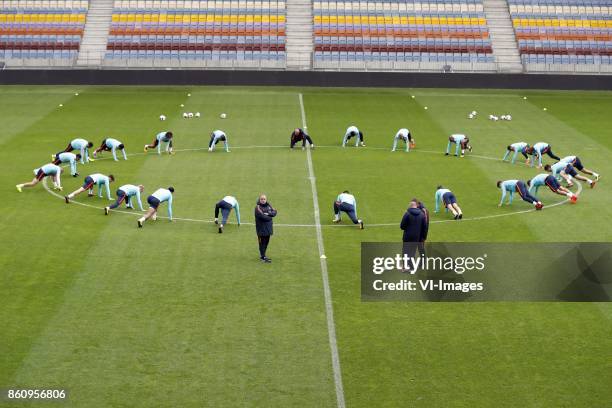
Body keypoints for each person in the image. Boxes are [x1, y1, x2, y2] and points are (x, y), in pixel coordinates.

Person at [400, 199, 429, 272]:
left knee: (405, 251)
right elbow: (424, 227)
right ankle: (411, 267)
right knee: (412, 252)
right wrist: (423, 237)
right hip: (416, 237)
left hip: (407, 236)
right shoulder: (422, 214)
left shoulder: (407, 213)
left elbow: (402, 226)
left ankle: (405, 267)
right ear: (416, 206)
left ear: (410, 206)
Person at [254, 194, 276, 263]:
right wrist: (270, 216)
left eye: (264, 199)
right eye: (262, 199)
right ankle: (262, 257)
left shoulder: (268, 205)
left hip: (268, 229)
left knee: (266, 243)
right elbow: (263, 217)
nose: (263, 200)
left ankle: (264, 256)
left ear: (266, 199)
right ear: (259, 200)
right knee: (262, 243)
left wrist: (268, 214)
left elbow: (275, 212)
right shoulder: (258, 207)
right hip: (261, 229)